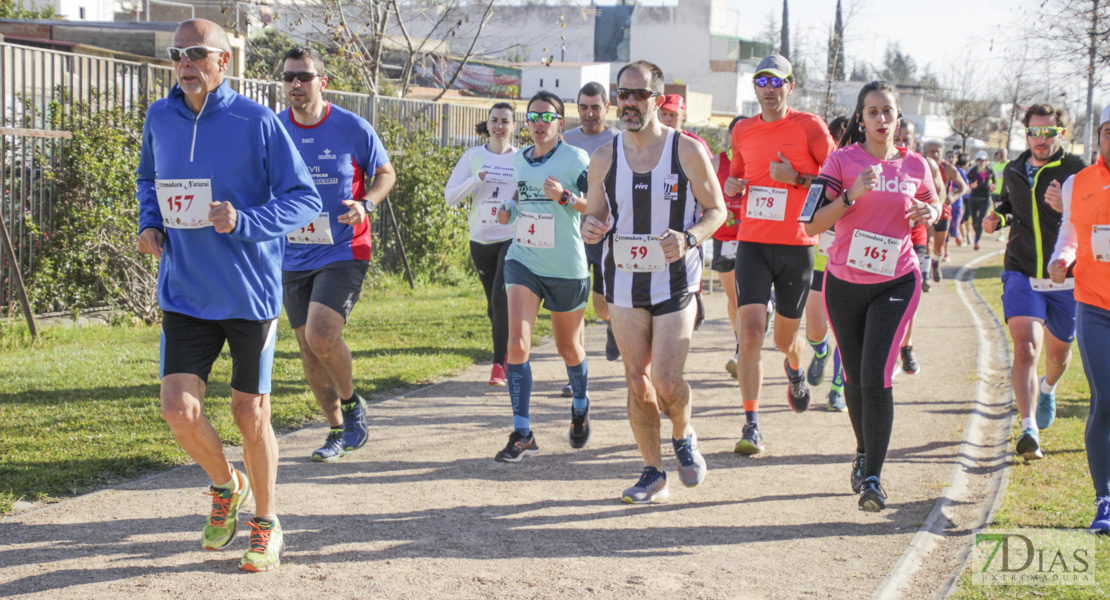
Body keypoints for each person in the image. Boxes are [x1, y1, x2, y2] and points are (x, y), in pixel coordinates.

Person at [136, 19, 322, 571]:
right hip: (184, 289)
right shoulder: (159, 116)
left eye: (197, 53)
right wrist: (151, 223)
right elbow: (149, 179)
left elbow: (304, 199)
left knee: (249, 413)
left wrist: (244, 219)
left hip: (248, 293)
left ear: (224, 62)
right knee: (178, 410)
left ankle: (266, 523)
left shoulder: (257, 121)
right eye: (177, 54)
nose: (185, 63)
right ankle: (226, 485)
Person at [581, 60, 726, 503]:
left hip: (675, 282)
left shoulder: (686, 151)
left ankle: (683, 433)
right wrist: (591, 228)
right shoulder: (604, 157)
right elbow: (596, 217)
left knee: (665, 380)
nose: (629, 102)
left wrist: (689, 238)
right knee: (636, 379)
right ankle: (652, 471)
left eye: (639, 94)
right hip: (624, 283)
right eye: (623, 94)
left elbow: (718, 211)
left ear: (658, 101)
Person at [806, 80, 939, 511]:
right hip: (845, 283)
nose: (882, 119)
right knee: (855, 380)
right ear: (861, 119)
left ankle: (875, 480)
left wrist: (929, 212)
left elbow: (933, 207)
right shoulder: (842, 161)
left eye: (888, 111)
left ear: (898, 116)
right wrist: (850, 195)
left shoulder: (916, 165)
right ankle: (864, 449)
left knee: (877, 374)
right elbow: (810, 225)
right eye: (873, 112)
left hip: (897, 280)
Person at [278, 46, 396, 462]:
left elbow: (386, 173)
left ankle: (351, 404)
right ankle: (336, 430)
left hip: (345, 246)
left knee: (321, 335)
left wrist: (367, 203)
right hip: (291, 252)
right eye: (289, 76)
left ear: (322, 82)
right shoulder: (274, 129)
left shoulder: (351, 126)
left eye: (304, 77)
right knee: (309, 352)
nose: (295, 84)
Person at [723, 54, 837, 454]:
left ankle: (794, 368)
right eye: (761, 82)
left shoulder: (810, 126)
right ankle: (752, 424)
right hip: (753, 242)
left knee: (784, 339)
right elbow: (737, 174)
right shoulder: (742, 130)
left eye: (777, 82)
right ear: (754, 88)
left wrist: (797, 179)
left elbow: (835, 179)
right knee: (750, 332)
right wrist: (733, 187)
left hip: (797, 244)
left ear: (790, 86)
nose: (769, 89)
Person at [492, 91, 592, 462]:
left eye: (546, 117)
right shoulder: (519, 159)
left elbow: (596, 205)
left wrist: (566, 197)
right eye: (533, 116)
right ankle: (522, 432)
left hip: (566, 267)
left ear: (559, 124)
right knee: (517, 343)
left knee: (569, 347)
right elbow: (521, 198)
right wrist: (508, 210)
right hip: (524, 259)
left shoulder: (576, 158)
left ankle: (580, 404)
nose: (538, 123)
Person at [983, 103, 1086, 460]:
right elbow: (1012, 205)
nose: (1040, 139)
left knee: (1059, 354)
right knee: (1026, 347)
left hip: (1065, 277)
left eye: (1049, 132)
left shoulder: (1076, 170)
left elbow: (1093, 217)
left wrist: (1066, 208)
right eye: (1034, 132)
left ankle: (1048, 388)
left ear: (1061, 133)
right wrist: (999, 217)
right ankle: (1029, 428)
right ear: (1025, 132)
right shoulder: (1014, 168)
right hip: (1022, 269)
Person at [1048, 103, 1110, 534]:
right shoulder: (1079, 184)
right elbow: (1071, 229)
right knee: (1105, 398)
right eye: (1109, 130)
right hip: (1095, 305)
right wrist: (1062, 257)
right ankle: (1104, 498)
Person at [445, 103, 518, 386]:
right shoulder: (473, 157)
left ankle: (499, 364)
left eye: (505, 121)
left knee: (501, 298)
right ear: (487, 125)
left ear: (513, 127)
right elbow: (450, 197)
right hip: (480, 239)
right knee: (493, 306)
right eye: (495, 121)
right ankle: (509, 345)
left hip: (510, 237)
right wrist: (475, 180)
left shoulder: (520, 158)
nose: (499, 126)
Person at [563, 82, 620, 364]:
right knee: (574, 303)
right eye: (583, 107)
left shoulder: (619, 141)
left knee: (601, 305)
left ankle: (612, 324)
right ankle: (576, 369)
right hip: (571, 231)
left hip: (604, 231)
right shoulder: (565, 139)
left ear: (607, 108)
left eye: (595, 107)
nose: (589, 113)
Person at [892, 120, 947, 375]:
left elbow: (940, 195)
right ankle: (892, 347)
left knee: (908, 297)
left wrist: (931, 211)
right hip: (883, 238)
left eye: (907, 140)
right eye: (897, 139)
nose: (901, 144)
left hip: (915, 236)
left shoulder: (923, 165)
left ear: (915, 142)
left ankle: (906, 344)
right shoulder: (877, 161)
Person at [710, 115, 745, 376]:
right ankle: (740, 344)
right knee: (734, 299)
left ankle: (743, 349)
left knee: (750, 297)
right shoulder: (715, 163)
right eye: (736, 132)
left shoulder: (760, 162)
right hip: (725, 239)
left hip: (755, 238)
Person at [923, 141, 969, 269]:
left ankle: (936, 262)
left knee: (939, 245)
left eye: (938, 151)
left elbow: (964, 187)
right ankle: (925, 275)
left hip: (943, 210)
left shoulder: (948, 169)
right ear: (925, 152)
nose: (936, 154)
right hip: (926, 209)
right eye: (932, 151)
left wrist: (953, 197)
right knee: (928, 242)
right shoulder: (920, 166)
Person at [965, 150, 996, 250]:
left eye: (982, 160)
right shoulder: (972, 172)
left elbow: (995, 182)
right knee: (975, 221)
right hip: (974, 197)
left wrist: (992, 186)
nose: (981, 162)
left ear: (986, 160)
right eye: (979, 160)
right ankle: (976, 234)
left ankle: (977, 240)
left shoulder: (990, 171)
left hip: (985, 197)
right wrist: (971, 185)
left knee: (981, 219)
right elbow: (966, 181)